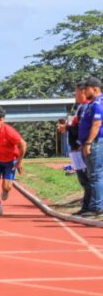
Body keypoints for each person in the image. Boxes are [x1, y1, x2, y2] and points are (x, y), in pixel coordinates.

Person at [59, 82, 91, 215]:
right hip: (77, 148)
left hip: (80, 148)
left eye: (76, 92)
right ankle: (87, 205)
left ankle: (89, 206)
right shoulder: (81, 108)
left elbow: (81, 129)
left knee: (86, 178)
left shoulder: (85, 108)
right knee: (83, 178)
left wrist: (67, 129)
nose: (75, 95)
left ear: (83, 92)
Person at [78, 77, 103, 218]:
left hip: (95, 143)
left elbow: (96, 124)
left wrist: (88, 143)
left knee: (95, 175)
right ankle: (95, 205)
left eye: (86, 88)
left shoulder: (97, 104)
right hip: (92, 142)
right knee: (93, 175)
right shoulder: (92, 104)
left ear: (94, 88)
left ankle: (97, 207)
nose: (84, 91)